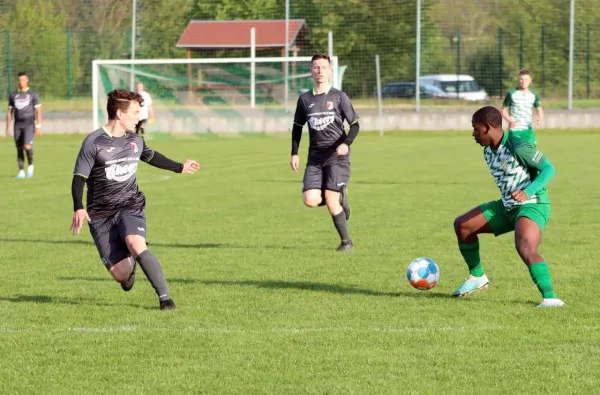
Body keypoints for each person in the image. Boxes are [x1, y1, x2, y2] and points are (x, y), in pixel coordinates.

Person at [70, 89, 199, 310]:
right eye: (135, 112)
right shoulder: (94, 142)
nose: (140, 116)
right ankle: (131, 265)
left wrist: (180, 167)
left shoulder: (135, 140)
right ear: (120, 114)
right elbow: (79, 178)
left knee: (135, 243)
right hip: (100, 214)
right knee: (121, 275)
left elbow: (152, 156)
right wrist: (79, 207)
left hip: (130, 204)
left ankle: (165, 299)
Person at [452, 106, 563, 308]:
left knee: (525, 248)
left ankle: (551, 298)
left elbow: (548, 168)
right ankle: (477, 276)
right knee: (463, 225)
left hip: (532, 204)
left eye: (475, 129)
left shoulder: (516, 145)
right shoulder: (488, 151)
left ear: (486, 127)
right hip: (507, 206)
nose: (473, 134)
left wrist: (527, 192)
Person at [290, 53, 360, 252]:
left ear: (329, 70)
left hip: (337, 157)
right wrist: (294, 153)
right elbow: (297, 127)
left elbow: (355, 125)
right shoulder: (305, 99)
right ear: (311, 71)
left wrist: (346, 143)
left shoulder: (339, 96)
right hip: (315, 157)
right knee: (310, 200)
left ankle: (346, 243)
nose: (319, 70)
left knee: (329, 198)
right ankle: (339, 196)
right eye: (315, 67)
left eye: (323, 67)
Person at [5, 72, 42, 179]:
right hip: (17, 125)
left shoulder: (32, 94)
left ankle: (30, 166)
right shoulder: (13, 95)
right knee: (19, 148)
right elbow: (9, 111)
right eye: (19, 80)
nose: (20, 82)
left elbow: (38, 111)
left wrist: (38, 126)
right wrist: (8, 126)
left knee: (27, 146)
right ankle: (21, 171)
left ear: (27, 81)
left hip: (29, 124)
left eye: (22, 80)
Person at [501, 69, 543, 146]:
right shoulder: (512, 93)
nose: (523, 81)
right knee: (516, 154)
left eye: (526, 79)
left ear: (530, 81)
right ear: (518, 80)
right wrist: (509, 121)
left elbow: (539, 109)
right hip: (515, 130)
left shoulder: (533, 94)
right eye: (521, 79)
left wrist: (539, 118)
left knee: (530, 153)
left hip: (528, 129)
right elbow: (503, 110)